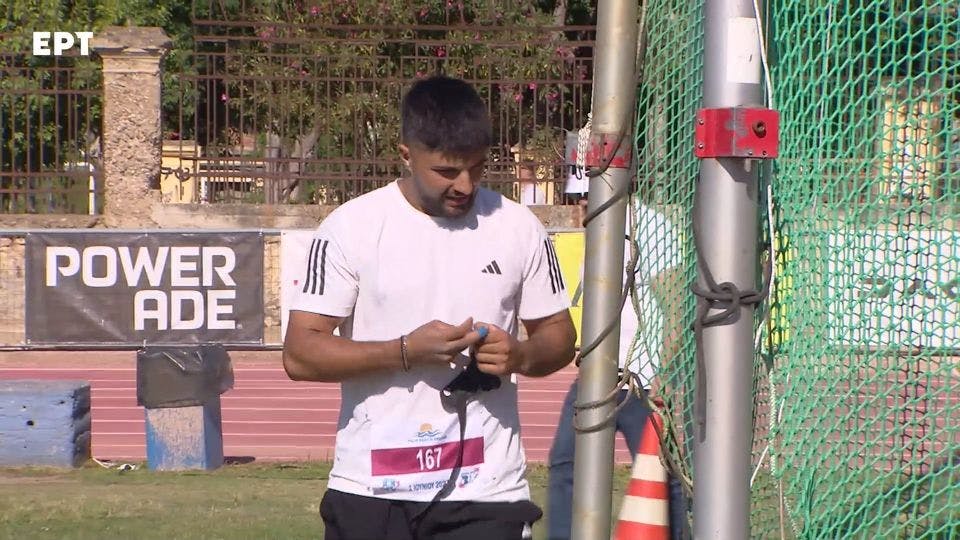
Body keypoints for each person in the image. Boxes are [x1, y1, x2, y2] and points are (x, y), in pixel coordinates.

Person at [283, 75, 577, 540]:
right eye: (446, 171)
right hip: (372, 490)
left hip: (488, 493)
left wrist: (520, 354)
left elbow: (559, 335)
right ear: (406, 154)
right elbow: (300, 354)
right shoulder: (351, 227)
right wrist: (404, 351)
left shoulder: (519, 227)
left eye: (478, 168)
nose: (465, 185)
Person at [546, 179, 686, 540]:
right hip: (598, 375)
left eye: (584, 196)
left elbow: (675, 305)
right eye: (575, 197)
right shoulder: (601, 230)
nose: (579, 206)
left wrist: (665, 373)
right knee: (566, 464)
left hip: (642, 379)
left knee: (661, 473)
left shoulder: (650, 227)